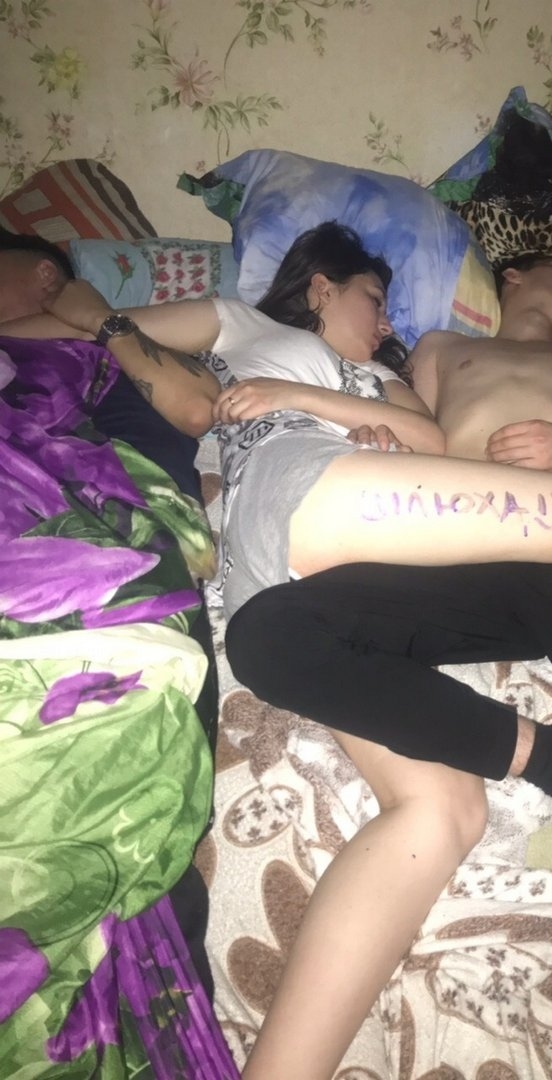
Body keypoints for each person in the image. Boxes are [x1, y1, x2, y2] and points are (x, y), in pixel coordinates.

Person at [10, 225, 552, 1080]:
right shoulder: (263, 329)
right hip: (362, 552)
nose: (387, 319)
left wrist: (360, 414)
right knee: (305, 676)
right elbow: (107, 354)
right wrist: (82, 307)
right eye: (372, 297)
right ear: (320, 286)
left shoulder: (432, 371)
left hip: (478, 539)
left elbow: (437, 442)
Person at [0, 230, 219, 1001]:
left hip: (99, 538)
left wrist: (99, 319)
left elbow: (197, 401)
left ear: (44, 275)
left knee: (122, 803)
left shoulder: (120, 345)